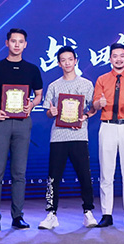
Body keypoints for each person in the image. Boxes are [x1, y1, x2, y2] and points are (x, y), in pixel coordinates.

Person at [0, 28, 43, 232]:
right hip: (0, 123)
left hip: (23, 124)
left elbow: (39, 94)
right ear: (6, 43)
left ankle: (18, 217)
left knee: (19, 173)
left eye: (20, 41)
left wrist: (31, 105)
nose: (17, 44)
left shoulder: (32, 69)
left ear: (25, 45)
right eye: (13, 41)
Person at [39, 46, 98, 231]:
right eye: (63, 60)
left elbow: (94, 108)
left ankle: (88, 212)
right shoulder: (54, 86)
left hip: (79, 135)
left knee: (84, 175)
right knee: (53, 177)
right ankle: (51, 214)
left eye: (70, 59)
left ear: (76, 61)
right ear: (59, 63)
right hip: (58, 136)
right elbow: (48, 111)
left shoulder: (87, 84)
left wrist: (85, 116)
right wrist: (51, 112)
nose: (67, 63)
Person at [92, 43, 124, 227]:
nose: (119, 59)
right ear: (110, 59)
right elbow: (95, 104)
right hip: (107, 127)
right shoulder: (102, 79)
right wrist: (99, 104)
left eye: (122, 56)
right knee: (106, 172)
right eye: (115, 56)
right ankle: (106, 213)